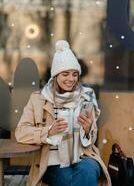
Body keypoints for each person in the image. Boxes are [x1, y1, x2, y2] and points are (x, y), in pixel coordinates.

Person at [15, 40, 111, 186]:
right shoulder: (38, 99)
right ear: (56, 76)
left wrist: (88, 129)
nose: (71, 79)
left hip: (83, 156)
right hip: (52, 162)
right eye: (65, 74)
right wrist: (48, 131)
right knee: (75, 180)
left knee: (88, 169)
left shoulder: (86, 97)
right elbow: (21, 132)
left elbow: (91, 139)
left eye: (74, 74)